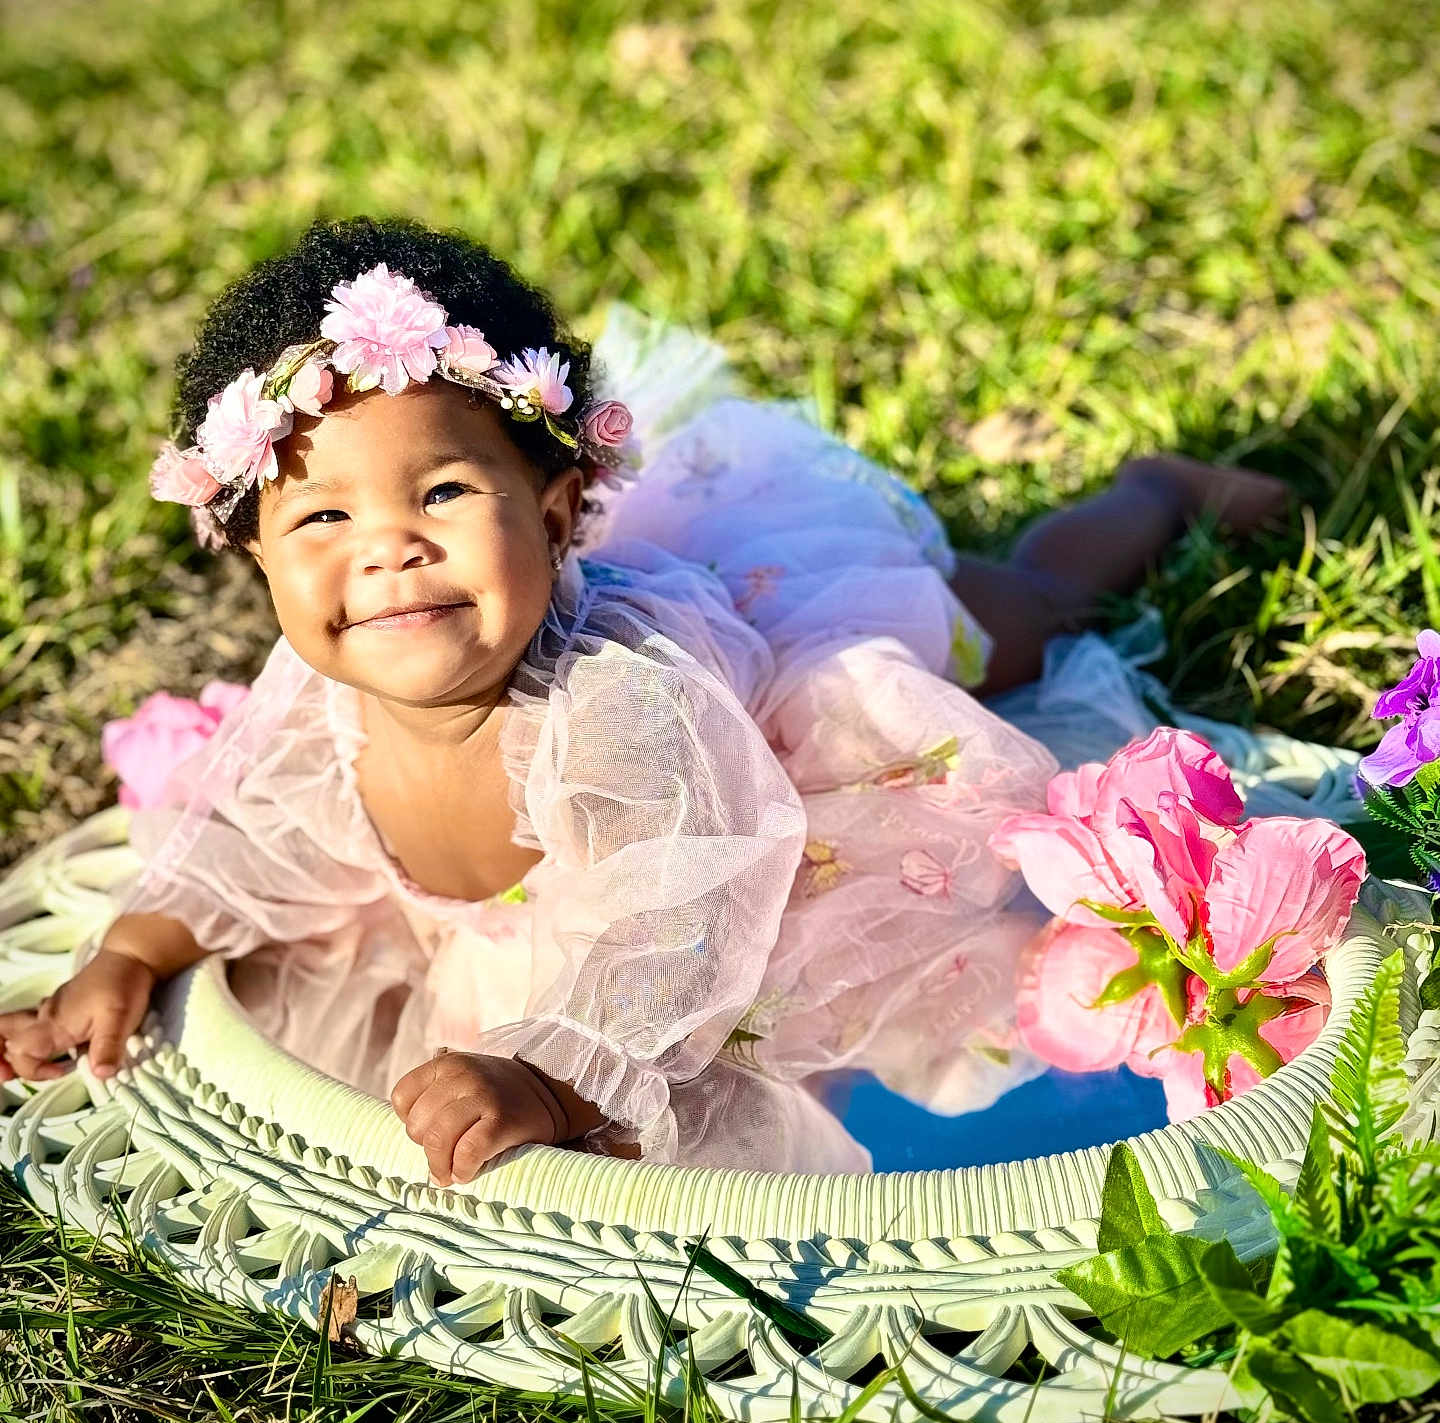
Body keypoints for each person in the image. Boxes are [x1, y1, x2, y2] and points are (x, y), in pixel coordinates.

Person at [0, 217, 1288, 1179]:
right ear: (258, 557)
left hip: (786, 743)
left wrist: (559, 1075)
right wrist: (139, 947)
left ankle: (1151, 495)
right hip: (549, 905)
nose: (386, 551)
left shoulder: (615, 698)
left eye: (442, 495)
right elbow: (258, 832)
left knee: (1013, 616)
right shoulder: (326, 684)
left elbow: (682, 915)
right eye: (324, 517)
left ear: (557, 514)